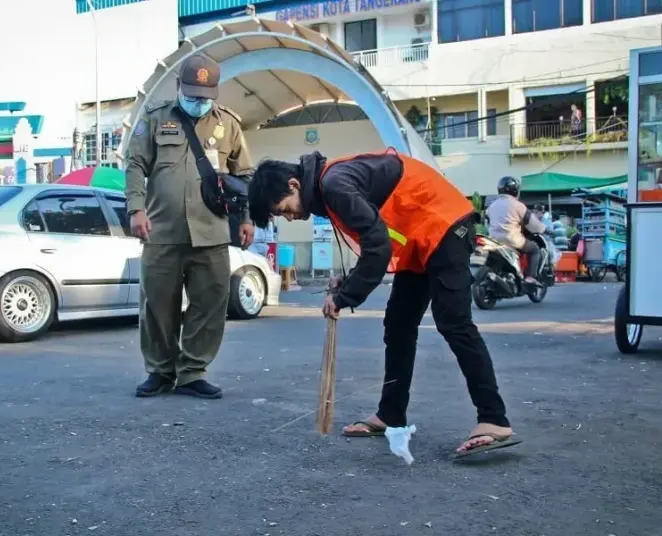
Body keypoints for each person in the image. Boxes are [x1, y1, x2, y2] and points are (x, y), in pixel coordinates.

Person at [247, 148, 519, 457]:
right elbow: (375, 239)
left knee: (454, 322)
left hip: (444, 227)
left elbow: (377, 244)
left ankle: (494, 420)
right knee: (399, 325)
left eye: (284, 209)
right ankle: (391, 414)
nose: (290, 217)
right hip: (421, 237)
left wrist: (345, 296)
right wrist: (347, 284)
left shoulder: (334, 184)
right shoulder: (328, 186)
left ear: (294, 185)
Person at [125, 54, 255, 399]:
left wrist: (246, 219)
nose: (199, 101)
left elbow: (244, 177)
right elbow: (135, 164)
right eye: (193, 93)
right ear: (179, 86)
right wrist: (136, 208)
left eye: (205, 95)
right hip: (162, 231)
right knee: (157, 306)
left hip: (211, 232)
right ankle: (160, 370)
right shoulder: (155, 119)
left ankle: (193, 371)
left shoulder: (228, 124)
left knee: (211, 302)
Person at [486, 176, 546, 285]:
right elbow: (534, 224)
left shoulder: (491, 206)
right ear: (515, 190)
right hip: (512, 240)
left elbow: (488, 221)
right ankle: (530, 277)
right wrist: (543, 229)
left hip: (493, 241)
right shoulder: (518, 206)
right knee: (535, 250)